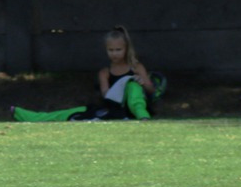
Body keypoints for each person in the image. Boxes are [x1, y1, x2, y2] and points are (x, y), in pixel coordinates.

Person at [11, 25, 166, 122]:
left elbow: (152, 90)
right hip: (113, 109)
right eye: (110, 50)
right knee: (71, 113)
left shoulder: (136, 67)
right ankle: (26, 115)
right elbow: (107, 96)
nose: (114, 54)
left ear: (126, 49)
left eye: (118, 50)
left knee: (132, 87)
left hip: (133, 109)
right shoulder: (105, 72)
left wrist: (141, 82)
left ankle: (143, 117)